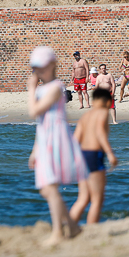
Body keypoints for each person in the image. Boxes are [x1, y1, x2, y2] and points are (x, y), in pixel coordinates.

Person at [28, 47, 88, 246]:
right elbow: (40, 122)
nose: (37, 71)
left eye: (41, 67)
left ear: (52, 65)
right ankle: (71, 225)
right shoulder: (44, 88)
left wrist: (30, 90)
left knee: (49, 186)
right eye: (34, 67)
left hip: (56, 138)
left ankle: (58, 232)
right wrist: (35, 149)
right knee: (47, 188)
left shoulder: (56, 87)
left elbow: (34, 111)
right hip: (45, 138)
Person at [69, 88, 118, 225]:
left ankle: (69, 228)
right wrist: (110, 153)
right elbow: (100, 133)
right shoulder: (103, 112)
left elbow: (75, 139)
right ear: (108, 102)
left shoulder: (85, 116)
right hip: (94, 155)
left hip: (82, 155)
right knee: (97, 199)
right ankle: (92, 230)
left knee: (83, 198)